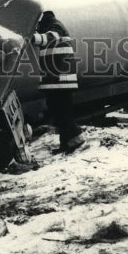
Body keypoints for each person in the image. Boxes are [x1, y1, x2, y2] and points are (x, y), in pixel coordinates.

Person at [34, 10, 84, 155]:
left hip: (62, 80)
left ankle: (77, 139)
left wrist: (29, 36)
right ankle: (66, 144)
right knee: (58, 113)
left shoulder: (56, 27)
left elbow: (47, 38)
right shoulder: (48, 26)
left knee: (63, 113)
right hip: (53, 80)